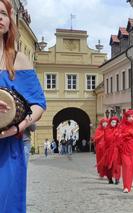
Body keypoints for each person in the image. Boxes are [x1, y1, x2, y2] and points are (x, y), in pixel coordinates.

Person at [0, 1, 46, 211]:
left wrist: (18, 127)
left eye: (3, 13)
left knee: (7, 203)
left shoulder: (19, 60)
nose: (0, 17)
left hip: (9, 146)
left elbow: (38, 103)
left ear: (10, 21)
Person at [119, 109, 133, 193]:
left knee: (131, 167)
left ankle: (129, 185)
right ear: (126, 117)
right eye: (129, 117)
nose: (131, 118)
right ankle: (126, 186)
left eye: (132, 117)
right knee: (126, 166)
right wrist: (127, 134)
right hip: (124, 149)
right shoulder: (122, 126)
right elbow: (119, 136)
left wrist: (131, 133)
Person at [99, 116, 121, 184]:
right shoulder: (107, 129)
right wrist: (114, 135)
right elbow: (107, 139)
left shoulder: (119, 129)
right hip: (109, 150)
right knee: (109, 165)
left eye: (115, 122)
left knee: (117, 165)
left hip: (117, 150)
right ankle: (110, 178)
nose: (114, 123)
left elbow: (121, 138)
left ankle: (117, 178)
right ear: (110, 122)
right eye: (112, 122)